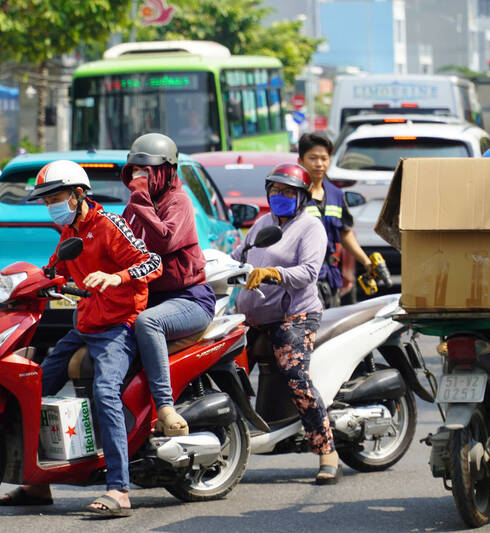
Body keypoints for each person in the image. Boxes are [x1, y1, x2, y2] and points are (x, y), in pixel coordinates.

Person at [0, 160, 162, 516]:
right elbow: (52, 272)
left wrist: (117, 278)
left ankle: (118, 489)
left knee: (105, 391)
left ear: (78, 194)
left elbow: (151, 262)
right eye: (46, 200)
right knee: (35, 382)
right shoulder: (69, 233)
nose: (50, 205)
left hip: (120, 325)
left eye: (55, 197)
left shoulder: (109, 224)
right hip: (86, 324)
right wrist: (12, 286)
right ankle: (38, 484)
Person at [232, 163, 342, 485]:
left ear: (302, 197)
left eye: (288, 192)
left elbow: (309, 272)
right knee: (223, 369)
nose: (280, 196)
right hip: (252, 319)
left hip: (294, 316)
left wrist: (273, 273)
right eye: (276, 190)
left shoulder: (311, 228)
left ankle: (327, 450)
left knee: (296, 376)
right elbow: (240, 255)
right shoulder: (262, 224)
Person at [120, 133, 215, 436]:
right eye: (135, 172)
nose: (140, 179)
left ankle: (165, 407)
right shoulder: (134, 209)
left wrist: (139, 200)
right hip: (149, 298)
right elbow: (119, 246)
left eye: (145, 172)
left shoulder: (179, 201)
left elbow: (164, 239)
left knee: (148, 324)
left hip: (189, 300)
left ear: (165, 171)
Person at [297, 132, 371, 308]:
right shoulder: (294, 195)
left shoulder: (336, 194)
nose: (319, 164)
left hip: (329, 278)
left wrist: (366, 262)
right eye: (313, 158)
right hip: (303, 281)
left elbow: (344, 233)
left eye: (324, 158)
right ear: (300, 161)